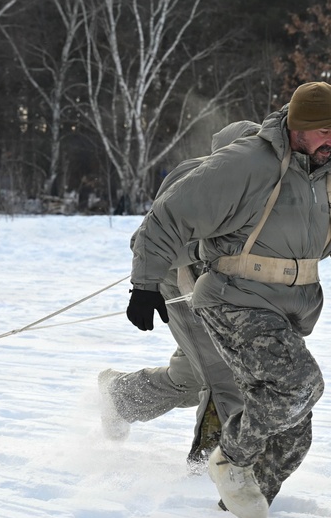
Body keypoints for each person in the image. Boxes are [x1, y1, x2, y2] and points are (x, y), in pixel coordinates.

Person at [126, 82, 331, 518]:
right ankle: (225, 458)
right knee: (296, 384)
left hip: (289, 309)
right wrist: (145, 286)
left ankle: (237, 507)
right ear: (297, 126)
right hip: (232, 299)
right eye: (322, 131)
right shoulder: (244, 165)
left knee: (295, 431)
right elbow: (168, 217)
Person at [98, 122, 259, 467]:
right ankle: (213, 470)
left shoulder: (265, 187)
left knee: (191, 379)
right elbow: (147, 242)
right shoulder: (197, 179)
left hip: (226, 297)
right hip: (181, 285)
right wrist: (209, 250)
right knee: (223, 377)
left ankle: (121, 398)